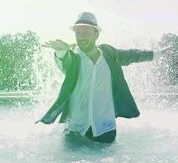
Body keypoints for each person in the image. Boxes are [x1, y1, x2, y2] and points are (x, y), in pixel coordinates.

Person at [36, 12, 170, 143]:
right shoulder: (74, 57)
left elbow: (132, 55)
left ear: (96, 34)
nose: (81, 37)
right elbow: (64, 61)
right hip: (76, 129)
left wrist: (157, 54)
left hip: (105, 129)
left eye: (86, 33)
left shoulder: (109, 54)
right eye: (78, 33)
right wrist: (61, 51)